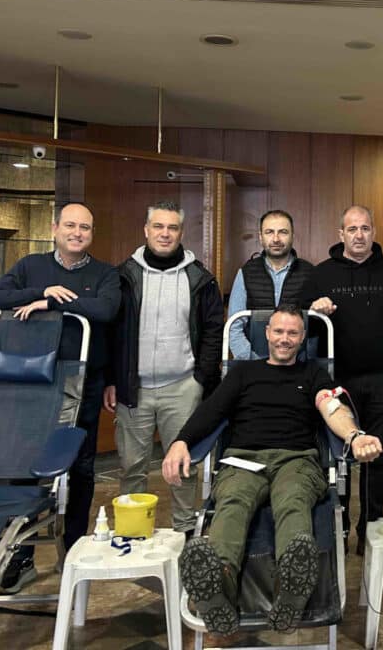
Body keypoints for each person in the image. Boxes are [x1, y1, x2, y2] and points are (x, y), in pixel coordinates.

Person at [162, 305, 382, 635]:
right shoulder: (242, 373)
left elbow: (331, 406)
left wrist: (354, 435)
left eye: (293, 333)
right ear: (266, 333)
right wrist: (182, 441)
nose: (284, 339)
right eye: (278, 331)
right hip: (243, 460)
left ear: (303, 337)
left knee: (293, 500)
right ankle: (219, 585)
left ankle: (289, 587)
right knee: (233, 501)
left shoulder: (313, 374)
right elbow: (211, 410)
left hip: (297, 460)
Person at [0, 202, 121, 593]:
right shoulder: (30, 266)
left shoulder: (105, 273)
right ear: (55, 228)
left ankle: (72, 548)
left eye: (85, 227)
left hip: (84, 383)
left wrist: (52, 303)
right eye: (70, 225)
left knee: (81, 467)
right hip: (33, 384)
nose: (77, 233)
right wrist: (41, 290)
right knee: (26, 468)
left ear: (92, 233)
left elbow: (106, 310)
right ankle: (20, 555)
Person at [105, 201, 224, 535]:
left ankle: (185, 530)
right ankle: (132, 532)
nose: (165, 234)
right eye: (158, 226)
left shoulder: (199, 278)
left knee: (183, 464)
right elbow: (112, 333)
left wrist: (201, 379)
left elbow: (213, 330)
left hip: (183, 387)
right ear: (146, 230)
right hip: (134, 388)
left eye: (172, 227)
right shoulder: (123, 276)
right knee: (132, 467)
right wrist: (113, 379)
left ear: (181, 233)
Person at [303, 205, 383, 553]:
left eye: (365, 228)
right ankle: (338, 530)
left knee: (377, 455)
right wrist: (313, 311)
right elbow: (300, 327)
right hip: (338, 381)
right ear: (341, 234)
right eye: (352, 229)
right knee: (340, 458)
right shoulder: (321, 274)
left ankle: (370, 529)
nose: (359, 235)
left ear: (373, 232)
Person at [227, 210, 314, 359]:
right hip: (253, 364)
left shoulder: (310, 273)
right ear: (261, 237)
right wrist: (254, 362)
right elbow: (234, 327)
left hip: (298, 365)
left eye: (283, 232)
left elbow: (315, 331)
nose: (276, 239)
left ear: (292, 236)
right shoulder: (246, 273)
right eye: (269, 232)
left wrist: (301, 363)